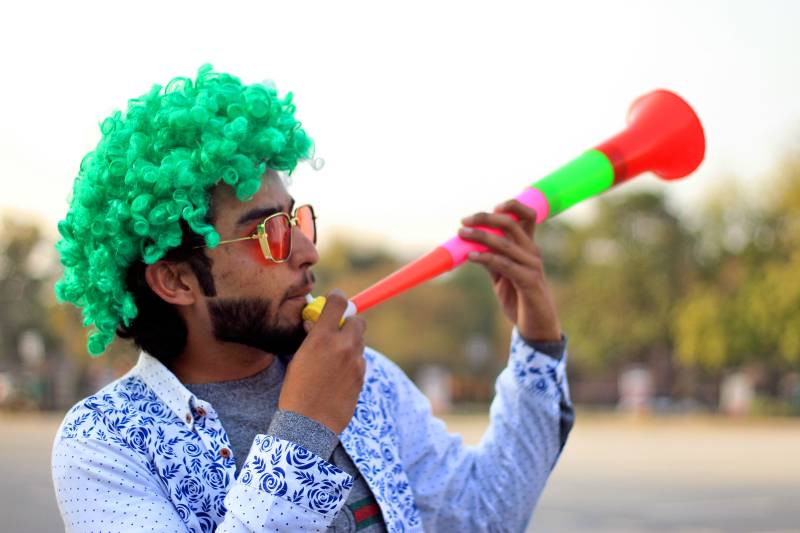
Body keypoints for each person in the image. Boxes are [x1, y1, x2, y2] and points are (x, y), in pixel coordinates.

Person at [51, 65, 574, 532]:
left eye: (296, 219)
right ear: (176, 281)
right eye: (268, 233)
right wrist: (306, 428)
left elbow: (484, 516)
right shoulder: (103, 443)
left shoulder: (366, 377)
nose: (307, 252)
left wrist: (538, 337)